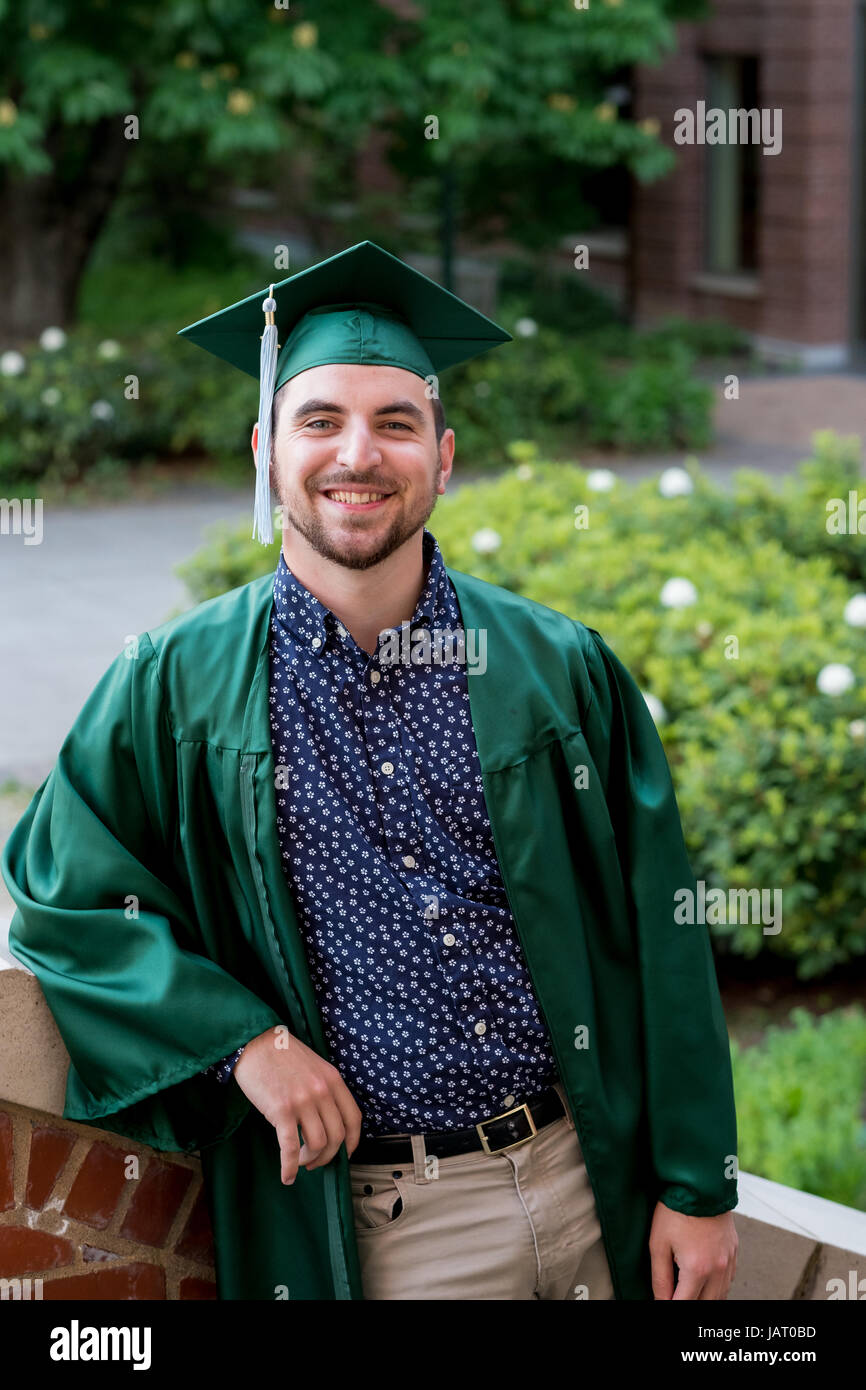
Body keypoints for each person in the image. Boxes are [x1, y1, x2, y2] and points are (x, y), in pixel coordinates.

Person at [1, 241, 738, 1301]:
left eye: (395, 422)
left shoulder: (556, 669)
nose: (358, 452)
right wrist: (241, 1039)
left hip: (591, 1186)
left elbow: (663, 928)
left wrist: (697, 1186)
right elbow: (65, 898)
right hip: (388, 1230)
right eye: (320, 421)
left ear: (442, 457)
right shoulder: (176, 684)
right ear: (265, 451)